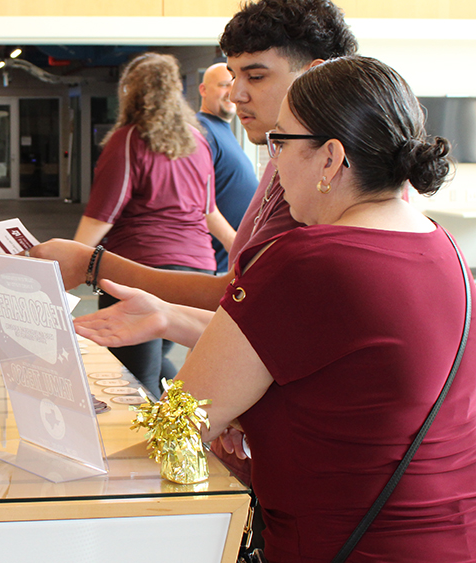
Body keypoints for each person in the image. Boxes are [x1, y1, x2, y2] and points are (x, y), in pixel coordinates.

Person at [77, 56, 476, 563]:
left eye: (279, 143)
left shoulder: (308, 259)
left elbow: (178, 430)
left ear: (330, 158)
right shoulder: (444, 250)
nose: (272, 163)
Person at [31, 0, 357, 313]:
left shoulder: (325, 174)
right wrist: (170, 318)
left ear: (314, 75)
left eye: (256, 77)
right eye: (233, 76)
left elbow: (244, 297)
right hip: (197, 260)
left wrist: (88, 262)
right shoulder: (264, 150)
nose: (235, 94)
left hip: (153, 256)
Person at [73, 52, 231, 396]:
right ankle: (173, 427)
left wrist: (70, 263)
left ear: (130, 92)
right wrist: (245, 253)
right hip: (196, 274)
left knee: (133, 382)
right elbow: (209, 212)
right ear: (177, 91)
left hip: (140, 271)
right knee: (155, 364)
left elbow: (103, 214)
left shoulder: (129, 139)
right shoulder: (196, 140)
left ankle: (152, 445)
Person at [196, 63, 258, 273]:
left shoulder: (220, 128)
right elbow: (198, 199)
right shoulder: (202, 130)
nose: (230, 93)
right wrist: (235, 243)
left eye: (233, 85)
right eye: (223, 85)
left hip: (229, 261)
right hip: (218, 263)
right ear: (203, 90)